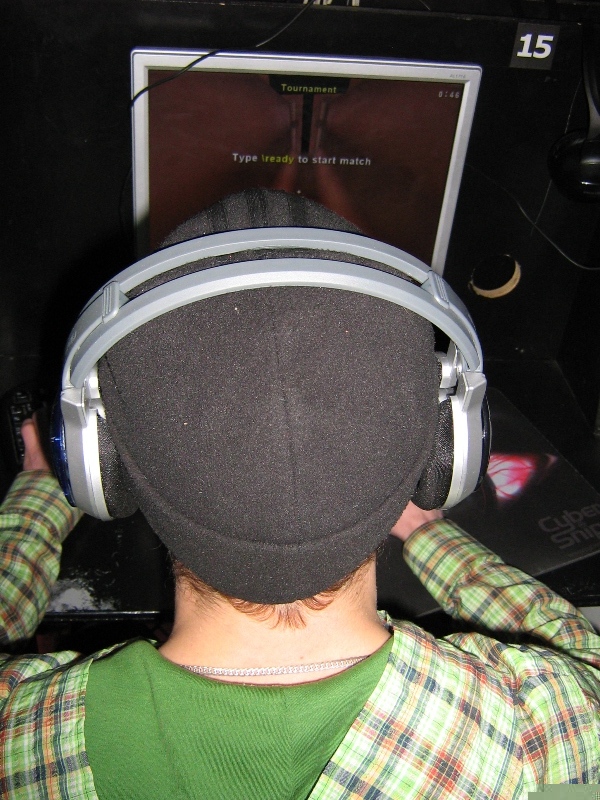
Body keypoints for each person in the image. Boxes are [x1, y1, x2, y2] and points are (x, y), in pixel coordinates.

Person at [1, 190, 599, 799]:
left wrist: (38, 494)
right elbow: (577, 645)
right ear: (445, 452)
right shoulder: (554, 729)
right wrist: (427, 534)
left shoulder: (15, 735)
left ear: (98, 463)